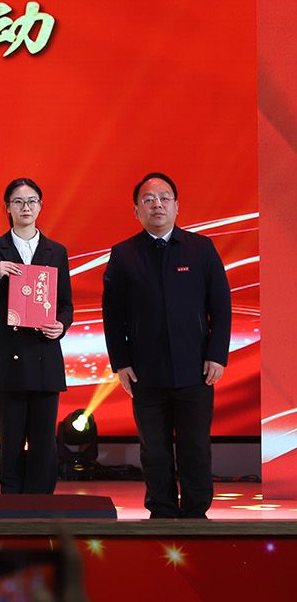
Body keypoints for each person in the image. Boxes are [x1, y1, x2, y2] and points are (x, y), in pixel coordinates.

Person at [102, 172, 231, 519]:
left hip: (196, 368)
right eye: (148, 199)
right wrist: (121, 362)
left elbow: (221, 306)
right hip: (145, 371)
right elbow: (113, 315)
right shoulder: (124, 254)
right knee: (154, 449)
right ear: (136, 210)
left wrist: (217, 355)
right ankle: (161, 511)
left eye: (164, 198)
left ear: (176, 206)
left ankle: (196, 513)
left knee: (195, 446)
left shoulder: (201, 249)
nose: (156, 204)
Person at [0, 178, 73, 494]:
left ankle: (41, 505)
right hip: (6, 358)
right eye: (18, 202)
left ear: (40, 206)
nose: (25, 207)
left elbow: (65, 304)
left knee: (44, 442)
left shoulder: (56, 251)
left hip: (44, 355)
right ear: (7, 208)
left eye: (31, 201)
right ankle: (10, 505)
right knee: (10, 440)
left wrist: (61, 325)